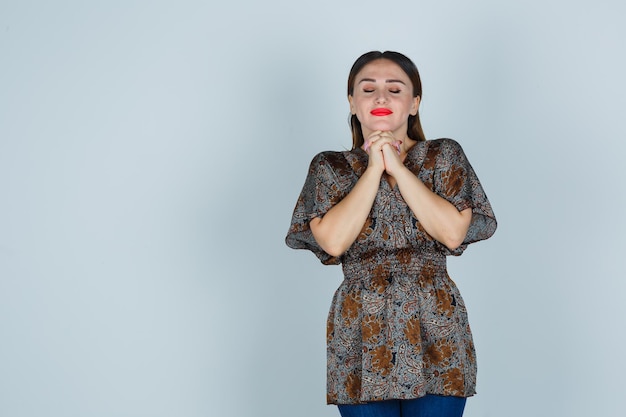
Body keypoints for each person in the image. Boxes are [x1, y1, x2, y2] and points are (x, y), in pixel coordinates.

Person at [285, 50, 497, 417]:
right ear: (352, 102)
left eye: (394, 89)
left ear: (414, 103)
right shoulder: (329, 167)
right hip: (360, 330)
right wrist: (372, 168)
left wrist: (397, 167)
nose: (380, 98)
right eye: (368, 89)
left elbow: (451, 233)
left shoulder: (443, 156)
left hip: (436, 325)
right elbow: (334, 242)